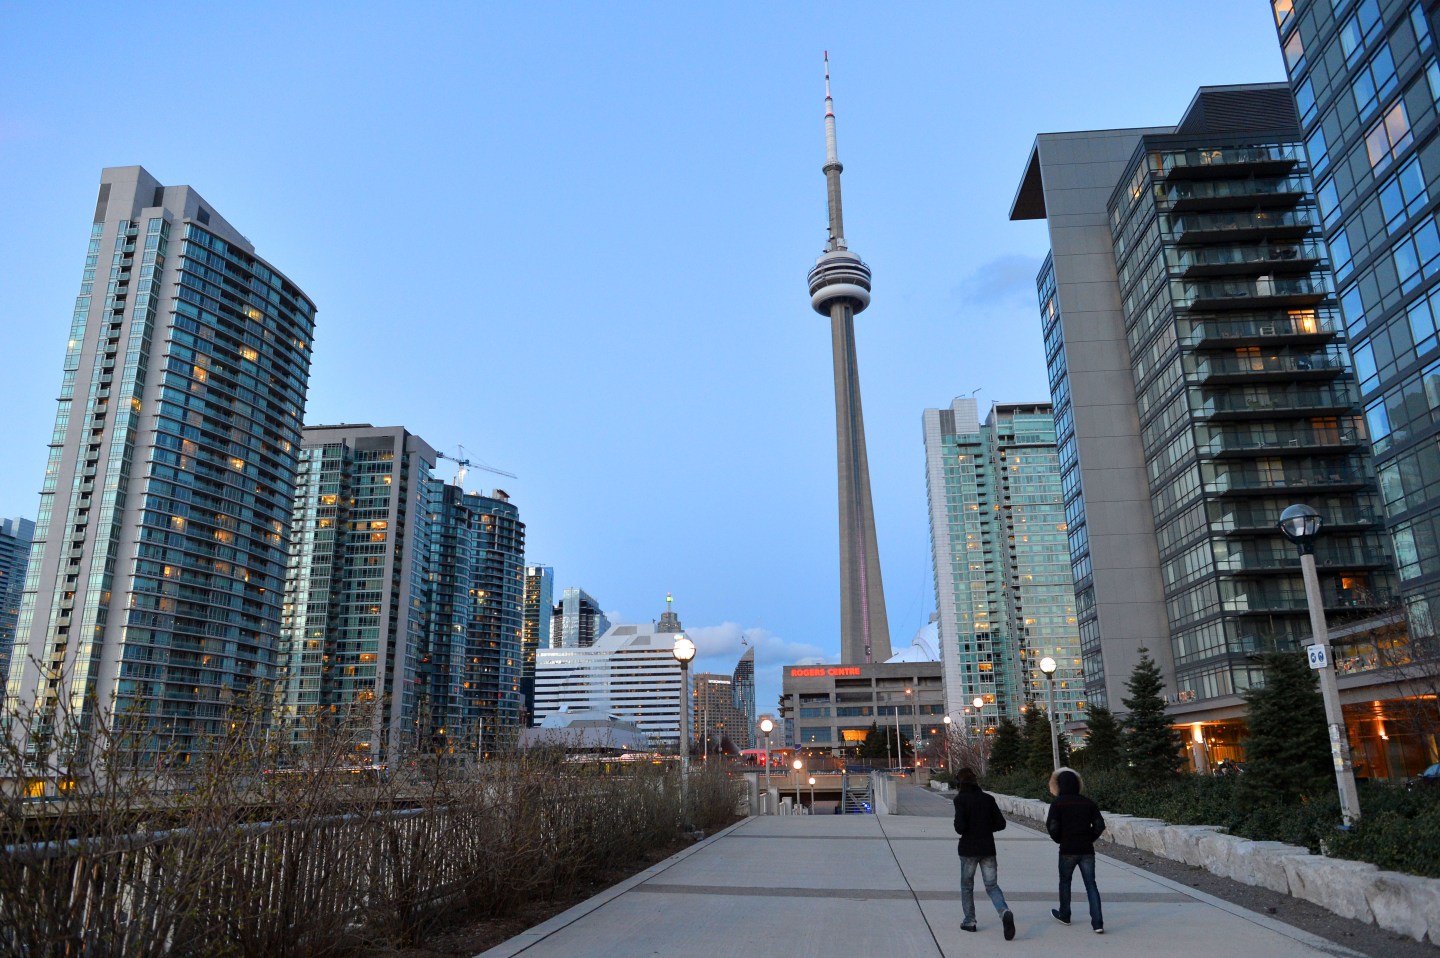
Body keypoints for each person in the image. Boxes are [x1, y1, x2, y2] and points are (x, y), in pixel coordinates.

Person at [952, 767, 1015, 940]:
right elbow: (1001, 823)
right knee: (992, 886)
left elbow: (960, 827)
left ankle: (970, 921)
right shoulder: (988, 799)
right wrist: (985, 827)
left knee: (967, 886)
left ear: (960, 783)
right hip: (988, 848)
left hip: (968, 850)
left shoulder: (960, 800)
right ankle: (1004, 912)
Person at [1045, 766, 1106, 934]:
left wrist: (1059, 839)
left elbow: (1052, 826)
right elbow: (1100, 825)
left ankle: (1065, 915)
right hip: (1087, 849)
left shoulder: (1057, 803)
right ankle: (1098, 922)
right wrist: (1090, 838)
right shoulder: (1088, 802)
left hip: (1067, 849)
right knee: (1091, 885)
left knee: (1065, 882)